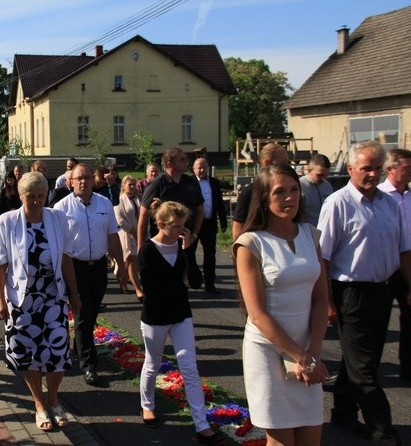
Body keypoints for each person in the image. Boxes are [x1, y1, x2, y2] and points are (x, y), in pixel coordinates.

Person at [319, 141, 411, 445]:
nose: (371, 174)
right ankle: (382, 430)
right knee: (364, 368)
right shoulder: (338, 203)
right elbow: (324, 258)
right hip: (350, 294)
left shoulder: (388, 203)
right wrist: (328, 302)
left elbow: (404, 250)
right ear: (350, 169)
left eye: (376, 168)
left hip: (382, 291)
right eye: (365, 168)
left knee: (361, 359)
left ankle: (343, 415)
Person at [234, 164, 329, 445]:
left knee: (312, 434)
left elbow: (321, 299)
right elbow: (258, 314)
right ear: (263, 199)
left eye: (294, 190)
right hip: (267, 351)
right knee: (282, 439)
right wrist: (301, 357)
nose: (290, 197)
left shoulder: (311, 234)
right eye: (279, 192)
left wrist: (312, 354)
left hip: (306, 350)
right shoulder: (250, 243)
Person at [0, 172, 81, 431]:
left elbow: (66, 258)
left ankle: (53, 399)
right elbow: (0, 265)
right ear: (20, 196)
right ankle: (39, 404)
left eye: (41, 196)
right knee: (27, 354)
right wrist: (0, 299)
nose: (36, 201)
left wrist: (74, 295)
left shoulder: (56, 218)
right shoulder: (7, 221)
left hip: (53, 298)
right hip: (22, 299)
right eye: (30, 197)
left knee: (58, 353)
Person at [139, 200, 228, 445]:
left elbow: (196, 283)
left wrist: (188, 250)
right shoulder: (147, 250)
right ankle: (147, 405)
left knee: (189, 368)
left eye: (183, 226)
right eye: (176, 226)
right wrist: (178, 285)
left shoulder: (183, 246)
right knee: (153, 362)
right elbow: (152, 288)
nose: (181, 230)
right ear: (161, 224)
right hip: (156, 317)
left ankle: (201, 425)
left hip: (181, 314)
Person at [54, 164, 128, 385]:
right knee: (82, 312)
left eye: (87, 177)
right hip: (74, 267)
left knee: (91, 311)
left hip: (98, 267)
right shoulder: (61, 208)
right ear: (71, 182)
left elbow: (113, 236)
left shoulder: (104, 203)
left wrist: (121, 267)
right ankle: (89, 364)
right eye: (79, 178)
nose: (83, 182)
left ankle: (78, 348)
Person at [138, 148, 204, 290]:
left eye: (186, 159)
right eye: (182, 159)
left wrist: (194, 235)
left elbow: (200, 210)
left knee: (185, 282)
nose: (186, 162)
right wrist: (141, 247)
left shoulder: (191, 182)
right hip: (161, 243)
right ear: (170, 163)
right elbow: (143, 216)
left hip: (184, 242)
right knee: (159, 284)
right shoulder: (157, 184)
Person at [378, 148, 411, 382]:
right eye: (407, 169)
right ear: (390, 169)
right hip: (385, 267)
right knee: (378, 322)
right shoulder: (379, 196)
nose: (410, 174)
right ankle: (370, 371)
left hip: (408, 265)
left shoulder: (410, 197)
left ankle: (407, 369)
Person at [232, 143, 289, 241]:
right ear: (267, 163)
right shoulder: (250, 193)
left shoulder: (289, 190)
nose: (287, 166)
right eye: (283, 163)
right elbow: (238, 228)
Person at [189, 158, 228, 294]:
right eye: (198, 167)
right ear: (193, 169)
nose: (201, 170)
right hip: (193, 224)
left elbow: (219, 203)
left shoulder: (214, 182)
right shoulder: (189, 182)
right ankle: (193, 278)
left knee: (210, 254)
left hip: (210, 223)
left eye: (204, 167)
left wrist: (223, 221)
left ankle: (210, 283)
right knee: (189, 253)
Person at [114, 175, 144, 299]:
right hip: (127, 234)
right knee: (132, 260)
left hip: (140, 233)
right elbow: (119, 220)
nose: (132, 187)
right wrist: (133, 231)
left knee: (128, 262)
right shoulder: (119, 200)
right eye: (129, 185)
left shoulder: (139, 198)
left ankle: (122, 281)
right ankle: (138, 289)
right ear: (123, 186)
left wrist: (141, 231)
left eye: (134, 184)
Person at [299, 153, 333, 227]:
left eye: (326, 175)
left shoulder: (327, 186)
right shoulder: (299, 186)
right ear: (309, 170)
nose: (324, 178)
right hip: (308, 232)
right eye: (320, 175)